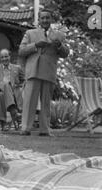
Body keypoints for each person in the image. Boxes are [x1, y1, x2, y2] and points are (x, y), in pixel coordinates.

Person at [19, 8, 69, 137]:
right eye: (43, 18)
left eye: (48, 17)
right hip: (33, 71)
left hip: (49, 71)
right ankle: (25, 128)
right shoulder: (30, 33)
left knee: (46, 102)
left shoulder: (59, 35)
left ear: (51, 19)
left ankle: (45, 130)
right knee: (29, 102)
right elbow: (21, 51)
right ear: (39, 20)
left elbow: (65, 54)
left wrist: (59, 46)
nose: (45, 20)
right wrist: (35, 45)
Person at [0, 49, 24, 130]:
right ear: (0, 58)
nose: (4, 59)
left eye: (6, 56)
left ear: (9, 56)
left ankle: (3, 122)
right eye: (2, 57)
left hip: (13, 96)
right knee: (4, 85)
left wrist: (19, 85)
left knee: (1, 95)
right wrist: (0, 84)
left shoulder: (17, 68)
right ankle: (14, 112)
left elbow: (24, 80)